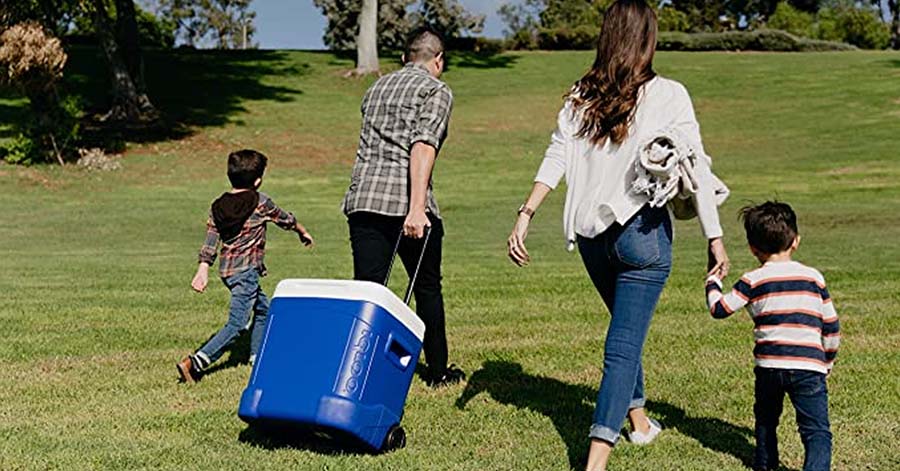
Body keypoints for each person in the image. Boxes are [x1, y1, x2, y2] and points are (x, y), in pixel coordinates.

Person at [506, 2, 729, 470]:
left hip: (591, 238)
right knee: (623, 345)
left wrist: (527, 213)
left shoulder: (580, 96)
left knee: (623, 335)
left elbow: (557, 156)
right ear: (647, 38)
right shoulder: (669, 94)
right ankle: (596, 462)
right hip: (643, 237)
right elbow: (697, 168)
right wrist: (715, 237)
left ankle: (641, 424)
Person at [341, 27, 464, 387]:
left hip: (363, 200)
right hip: (404, 202)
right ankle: (438, 371)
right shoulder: (436, 90)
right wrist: (417, 207)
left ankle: (358, 370)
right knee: (426, 286)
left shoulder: (375, 88)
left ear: (404, 57)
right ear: (438, 60)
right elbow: (423, 146)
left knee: (368, 290)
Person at [707, 201, 839, 471]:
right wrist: (827, 360)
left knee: (766, 421)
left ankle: (766, 465)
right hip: (809, 367)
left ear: (753, 249)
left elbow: (719, 309)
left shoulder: (752, 280)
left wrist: (712, 282)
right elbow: (831, 325)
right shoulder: (814, 278)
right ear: (796, 242)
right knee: (816, 431)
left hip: (769, 367)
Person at [177, 149, 314, 383]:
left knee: (263, 309)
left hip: (228, 272)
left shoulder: (217, 205)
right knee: (238, 323)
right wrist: (302, 231)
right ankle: (196, 362)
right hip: (246, 272)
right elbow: (285, 219)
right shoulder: (260, 202)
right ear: (258, 180)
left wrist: (203, 269)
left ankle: (256, 356)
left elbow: (211, 239)